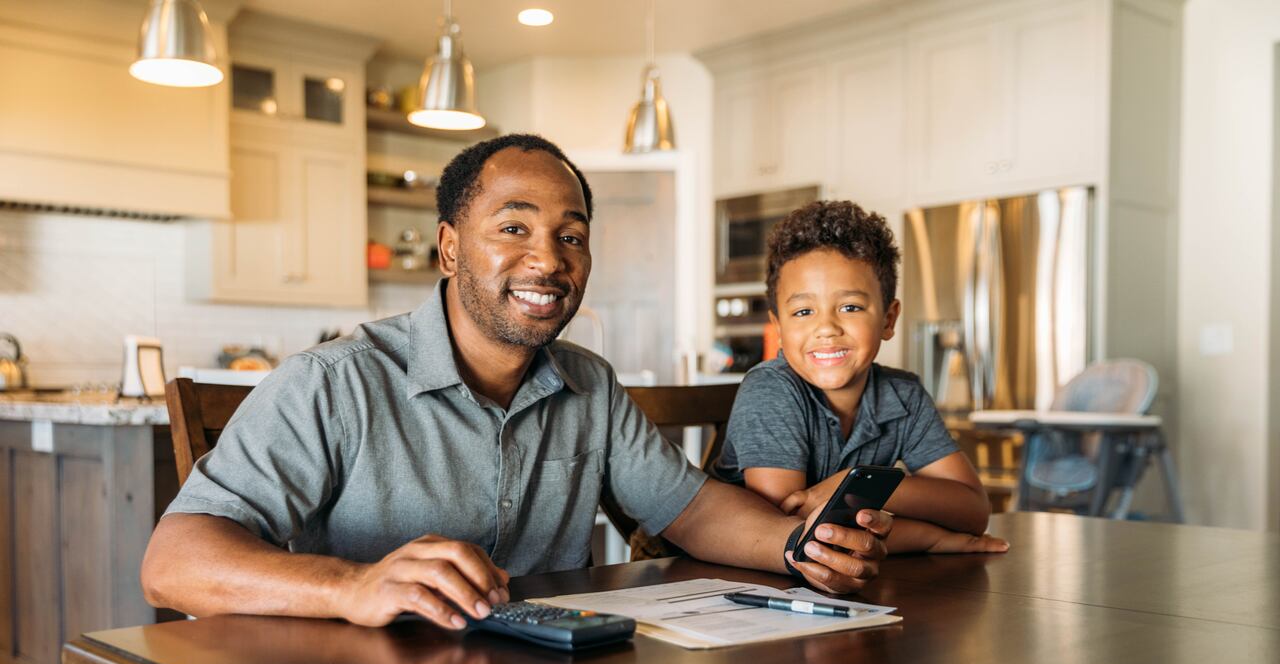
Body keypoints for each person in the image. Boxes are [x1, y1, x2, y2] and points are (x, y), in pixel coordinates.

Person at [141, 135, 896, 631]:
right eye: (514, 228)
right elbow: (171, 565)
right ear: (448, 248)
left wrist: (799, 549)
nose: (549, 259)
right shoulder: (331, 384)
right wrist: (350, 587)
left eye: (571, 236)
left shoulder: (588, 386)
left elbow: (691, 510)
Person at [714, 201, 1009, 554]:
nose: (826, 328)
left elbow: (974, 511)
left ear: (888, 319)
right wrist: (932, 538)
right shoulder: (771, 391)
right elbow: (790, 536)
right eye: (803, 311)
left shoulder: (903, 396)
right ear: (778, 327)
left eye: (850, 307)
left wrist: (854, 486)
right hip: (726, 581)